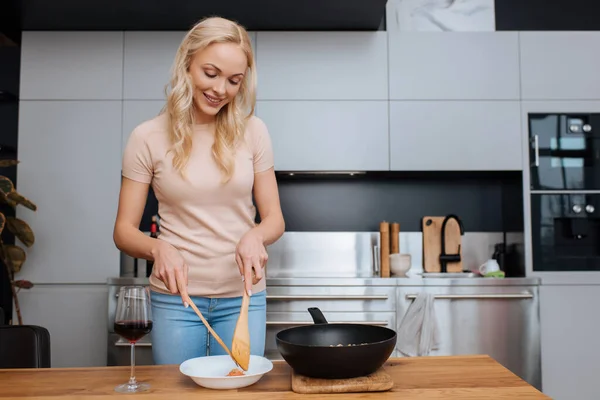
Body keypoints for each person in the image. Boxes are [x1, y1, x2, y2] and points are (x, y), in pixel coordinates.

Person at [113, 16, 285, 365]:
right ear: (187, 64)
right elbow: (123, 231)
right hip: (176, 300)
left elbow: (274, 220)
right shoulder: (146, 137)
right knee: (176, 392)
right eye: (211, 73)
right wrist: (158, 249)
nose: (221, 89)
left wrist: (256, 235)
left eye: (234, 80)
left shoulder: (254, 132)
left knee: (240, 390)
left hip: (244, 296)